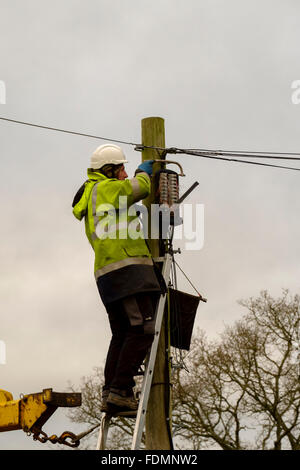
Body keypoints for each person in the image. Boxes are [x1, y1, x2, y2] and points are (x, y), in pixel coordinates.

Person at [72, 144, 161, 412]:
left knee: (122, 334)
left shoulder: (98, 195)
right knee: (142, 329)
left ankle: (112, 391)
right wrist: (144, 172)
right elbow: (139, 187)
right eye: (121, 168)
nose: (124, 173)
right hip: (126, 271)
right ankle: (120, 391)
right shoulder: (105, 189)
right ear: (109, 170)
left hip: (111, 274)